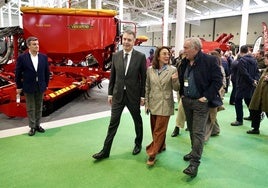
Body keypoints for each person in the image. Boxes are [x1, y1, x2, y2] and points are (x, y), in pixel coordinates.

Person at [92, 30, 147, 160]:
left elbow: (143, 78)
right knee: (113, 124)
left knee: (137, 121)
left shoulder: (140, 57)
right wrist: (110, 93)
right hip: (118, 95)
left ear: (134, 42)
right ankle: (105, 151)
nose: (126, 42)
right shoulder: (116, 56)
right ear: (122, 40)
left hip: (133, 95)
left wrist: (143, 96)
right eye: (125, 39)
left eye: (129, 40)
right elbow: (113, 77)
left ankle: (138, 144)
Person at [178, 37, 222, 177]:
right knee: (191, 129)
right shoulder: (184, 62)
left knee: (198, 132)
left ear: (195, 49)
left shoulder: (209, 61)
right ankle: (193, 151)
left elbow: (218, 80)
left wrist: (206, 97)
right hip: (187, 101)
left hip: (200, 103)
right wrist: (182, 95)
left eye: (186, 48)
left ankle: (194, 164)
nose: (183, 51)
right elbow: (182, 78)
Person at [145, 46, 179, 166]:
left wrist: (175, 81)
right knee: (155, 128)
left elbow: (177, 88)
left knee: (159, 130)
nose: (167, 56)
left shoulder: (173, 70)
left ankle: (152, 153)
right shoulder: (150, 70)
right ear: (158, 56)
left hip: (165, 103)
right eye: (164, 54)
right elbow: (147, 87)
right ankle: (161, 145)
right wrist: (147, 104)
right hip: (153, 103)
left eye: (168, 54)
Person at [15, 36, 50, 136]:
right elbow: (18, 73)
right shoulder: (22, 58)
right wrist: (18, 86)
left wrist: (46, 84)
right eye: (34, 44)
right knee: (30, 107)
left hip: (41, 86)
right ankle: (32, 127)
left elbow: (46, 72)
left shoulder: (43, 57)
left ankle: (38, 125)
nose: (37, 46)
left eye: (37, 44)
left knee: (39, 106)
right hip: (28, 86)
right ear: (28, 46)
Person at [230, 45, 259, 126]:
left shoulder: (241, 60)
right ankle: (253, 116)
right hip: (251, 84)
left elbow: (244, 73)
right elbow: (257, 72)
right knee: (249, 101)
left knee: (238, 101)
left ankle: (239, 120)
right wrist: (255, 80)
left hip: (242, 84)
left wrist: (251, 80)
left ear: (240, 51)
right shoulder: (254, 60)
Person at [246, 53, 268, 134]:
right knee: (254, 110)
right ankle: (255, 128)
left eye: (266, 58)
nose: (265, 60)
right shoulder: (266, 69)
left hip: (265, 95)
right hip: (260, 94)